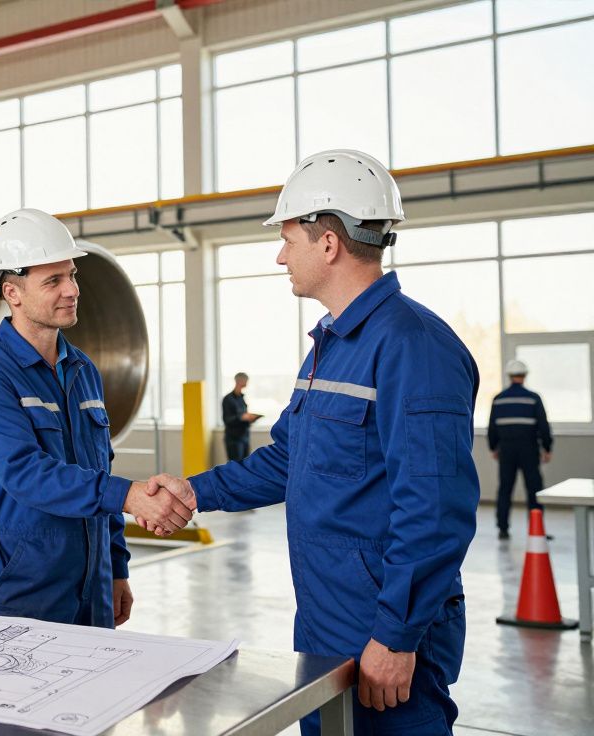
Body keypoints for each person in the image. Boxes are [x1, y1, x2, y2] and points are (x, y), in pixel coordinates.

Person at [137, 150, 479, 735]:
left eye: (287, 239)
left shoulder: (414, 346)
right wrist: (194, 492)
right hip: (326, 619)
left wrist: (397, 635)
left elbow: (436, 507)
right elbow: (289, 460)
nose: (280, 255)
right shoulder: (332, 345)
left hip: (384, 629)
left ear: (328, 244)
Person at [0, 208, 193, 629]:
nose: (72, 290)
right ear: (12, 292)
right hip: (21, 586)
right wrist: (130, 496)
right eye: (53, 281)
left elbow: (100, 471)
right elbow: (26, 474)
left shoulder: (83, 370)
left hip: (92, 585)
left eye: (72, 275)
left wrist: (116, 567)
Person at [487, 359, 553, 540]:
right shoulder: (533, 398)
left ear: (509, 376)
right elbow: (543, 426)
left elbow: (492, 427)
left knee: (505, 489)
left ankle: (502, 529)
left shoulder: (499, 399)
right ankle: (536, 528)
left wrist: (493, 447)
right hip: (529, 449)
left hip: (506, 450)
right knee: (534, 488)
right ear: (525, 375)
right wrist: (547, 447)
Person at [222, 372, 262, 462]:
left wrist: (251, 418)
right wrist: (242, 418)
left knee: (245, 464)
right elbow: (227, 420)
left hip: (244, 437)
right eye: (246, 380)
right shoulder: (228, 399)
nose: (247, 383)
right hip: (234, 439)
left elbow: (244, 415)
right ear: (239, 381)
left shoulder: (241, 398)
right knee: (236, 465)